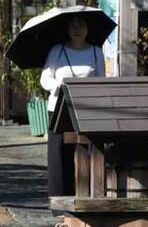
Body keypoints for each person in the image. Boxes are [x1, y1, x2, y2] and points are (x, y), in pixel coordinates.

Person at [41, 16, 105, 197]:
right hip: (59, 109)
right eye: (73, 26)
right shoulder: (57, 50)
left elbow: (101, 80)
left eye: (82, 24)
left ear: (88, 29)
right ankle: (59, 199)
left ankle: (87, 194)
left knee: (87, 150)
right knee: (59, 155)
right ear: (67, 30)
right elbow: (45, 79)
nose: (77, 29)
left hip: (87, 109)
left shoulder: (96, 52)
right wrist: (57, 87)